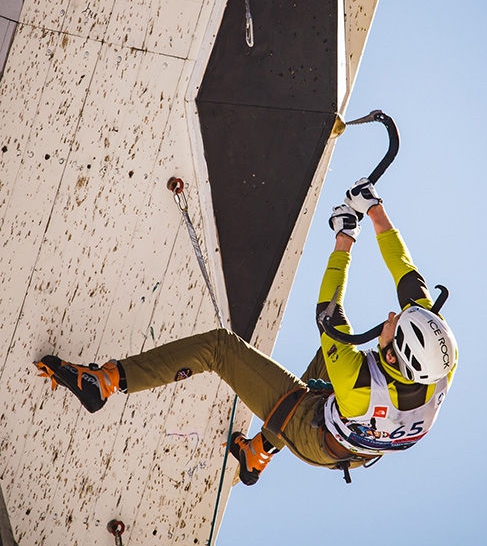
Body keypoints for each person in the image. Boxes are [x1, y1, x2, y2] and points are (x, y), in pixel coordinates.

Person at [35, 178, 458, 485]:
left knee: (221, 349)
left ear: (391, 357)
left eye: (391, 328)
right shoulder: (438, 360)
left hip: (315, 433)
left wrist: (345, 235)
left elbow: (329, 312)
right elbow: (407, 273)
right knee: (326, 361)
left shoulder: (358, 381)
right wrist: (375, 210)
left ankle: (105, 382)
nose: (390, 317)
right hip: (355, 441)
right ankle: (256, 454)